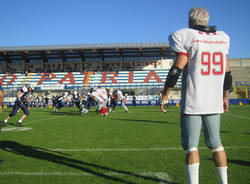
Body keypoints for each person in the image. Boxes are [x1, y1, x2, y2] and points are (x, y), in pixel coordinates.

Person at [160, 7, 231, 184]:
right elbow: (227, 73)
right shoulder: (223, 38)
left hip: (193, 100)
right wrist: (226, 96)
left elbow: (177, 69)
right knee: (217, 144)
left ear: (190, 22)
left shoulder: (187, 35)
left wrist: (165, 94)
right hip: (214, 100)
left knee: (191, 147)